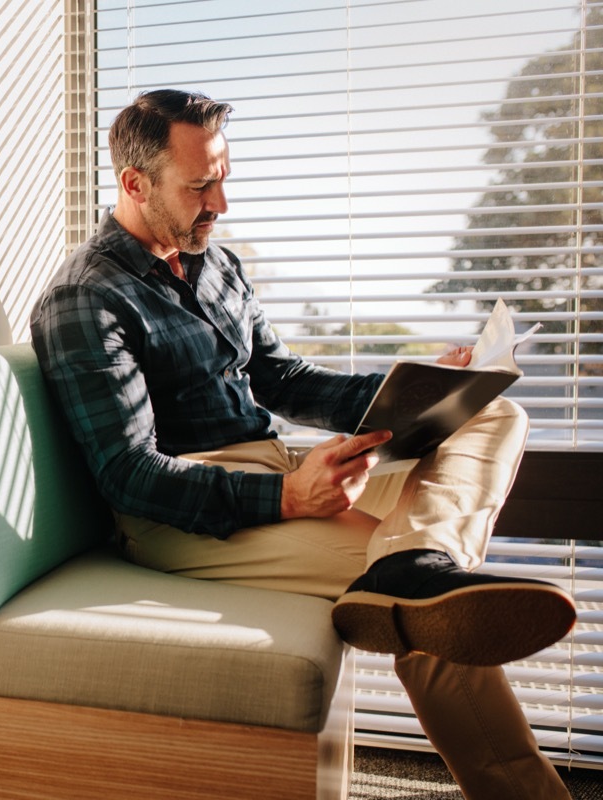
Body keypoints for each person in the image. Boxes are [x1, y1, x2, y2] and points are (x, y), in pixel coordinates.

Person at [29, 89, 578, 799]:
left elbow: (281, 378)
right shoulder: (85, 299)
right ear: (134, 184)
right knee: (432, 615)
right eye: (200, 186)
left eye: (223, 177)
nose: (220, 203)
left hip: (274, 460)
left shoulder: (215, 265)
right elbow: (128, 475)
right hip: (183, 513)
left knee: (493, 417)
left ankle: (417, 560)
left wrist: (417, 387)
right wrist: (284, 497)